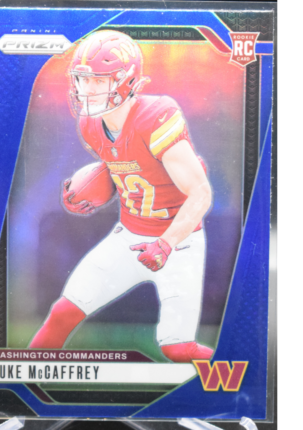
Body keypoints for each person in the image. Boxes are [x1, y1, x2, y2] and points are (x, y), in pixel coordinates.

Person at [29, 30, 213, 363]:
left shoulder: (155, 116)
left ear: (127, 80)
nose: (87, 89)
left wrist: (166, 244)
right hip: (128, 236)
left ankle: (240, 378)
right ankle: (21, 383)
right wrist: (92, 190)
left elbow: (200, 193)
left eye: (99, 80)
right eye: (83, 79)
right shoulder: (89, 125)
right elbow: (124, 165)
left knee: (177, 349)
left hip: (179, 244)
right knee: (62, 312)